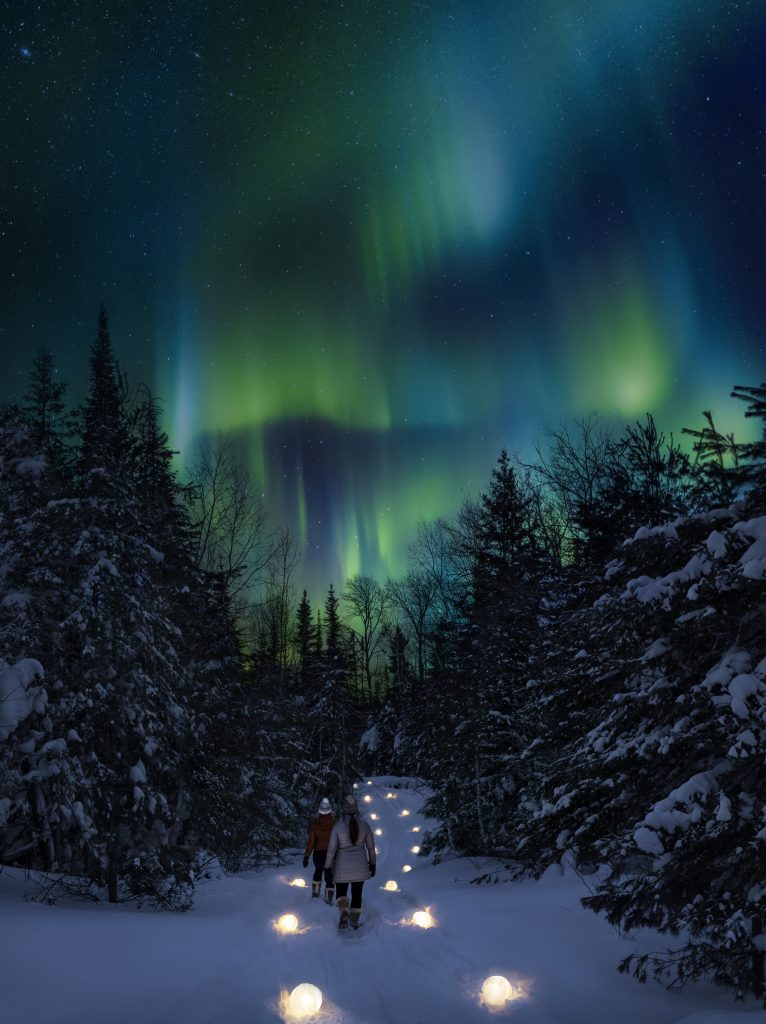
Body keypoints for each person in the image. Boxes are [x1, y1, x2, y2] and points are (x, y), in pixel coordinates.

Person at [324, 793, 376, 930]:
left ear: (344, 809)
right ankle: (354, 921)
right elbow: (371, 847)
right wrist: (373, 864)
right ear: (356, 809)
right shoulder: (365, 826)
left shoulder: (338, 827)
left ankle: (344, 913)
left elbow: (331, 849)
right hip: (361, 866)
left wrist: (327, 867)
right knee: (357, 894)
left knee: (341, 893)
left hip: (341, 866)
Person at [303, 797, 335, 902]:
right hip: (330, 853)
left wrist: (307, 856)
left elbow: (311, 841)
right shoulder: (334, 823)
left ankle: (316, 893)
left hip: (318, 853)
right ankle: (328, 897)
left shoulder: (315, 824)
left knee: (318, 871)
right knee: (329, 873)